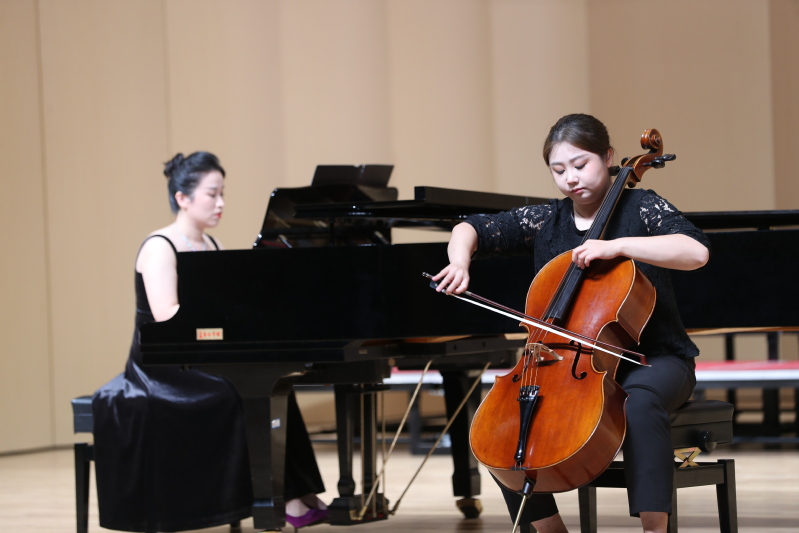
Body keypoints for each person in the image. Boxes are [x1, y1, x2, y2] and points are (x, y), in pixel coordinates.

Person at [432, 114, 710, 533]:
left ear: (608, 157)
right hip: (564, 364)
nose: (570, 178)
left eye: (580, 165)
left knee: (637, 402)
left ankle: (654, 528)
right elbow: (471, 227)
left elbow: (695, 251)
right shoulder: (548, 219)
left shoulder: (642, 207)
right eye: (558, 170)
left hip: (656, 360)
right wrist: (459, 261)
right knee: (503, 424)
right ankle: (550, 529)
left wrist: (617, 246)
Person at [92, 152, 328, 532]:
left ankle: (296, 495)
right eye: (212, 194)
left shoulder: (211, 244)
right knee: (240, 391)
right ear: (183, 198)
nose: (220, 203)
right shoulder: (160, 246)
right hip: (164, 364)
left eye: (222, 194)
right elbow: (168, 317)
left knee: (275, 382)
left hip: (202, 353)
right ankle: (269, 500)